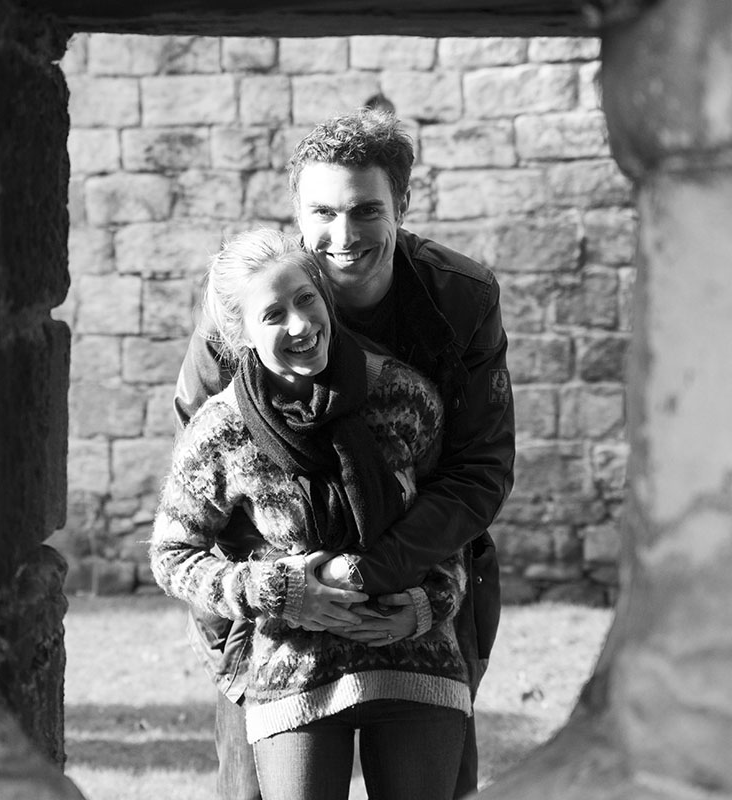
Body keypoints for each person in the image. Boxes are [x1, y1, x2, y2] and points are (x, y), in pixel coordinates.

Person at [174, 108, 516, 799]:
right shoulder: (245, 308)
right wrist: (283, 591)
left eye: (366, 211)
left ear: (403, 205)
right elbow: (202, 474)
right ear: (297, 209)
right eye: (322, 211)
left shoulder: (459, 300)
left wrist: (381, 580)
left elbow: (479, 470)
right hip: (274, 620)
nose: (342, 235)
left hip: (420, 589)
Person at [152, 228, 471, 800]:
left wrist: (427, 605)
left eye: (306, 299)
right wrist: (277, 589)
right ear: (240, 334)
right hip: (291, 670)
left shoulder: (405, 397)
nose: (300, 324)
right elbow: (173, 557)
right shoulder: (221, 431)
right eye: (273, 313)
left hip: (415, 658)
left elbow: (448, 529)